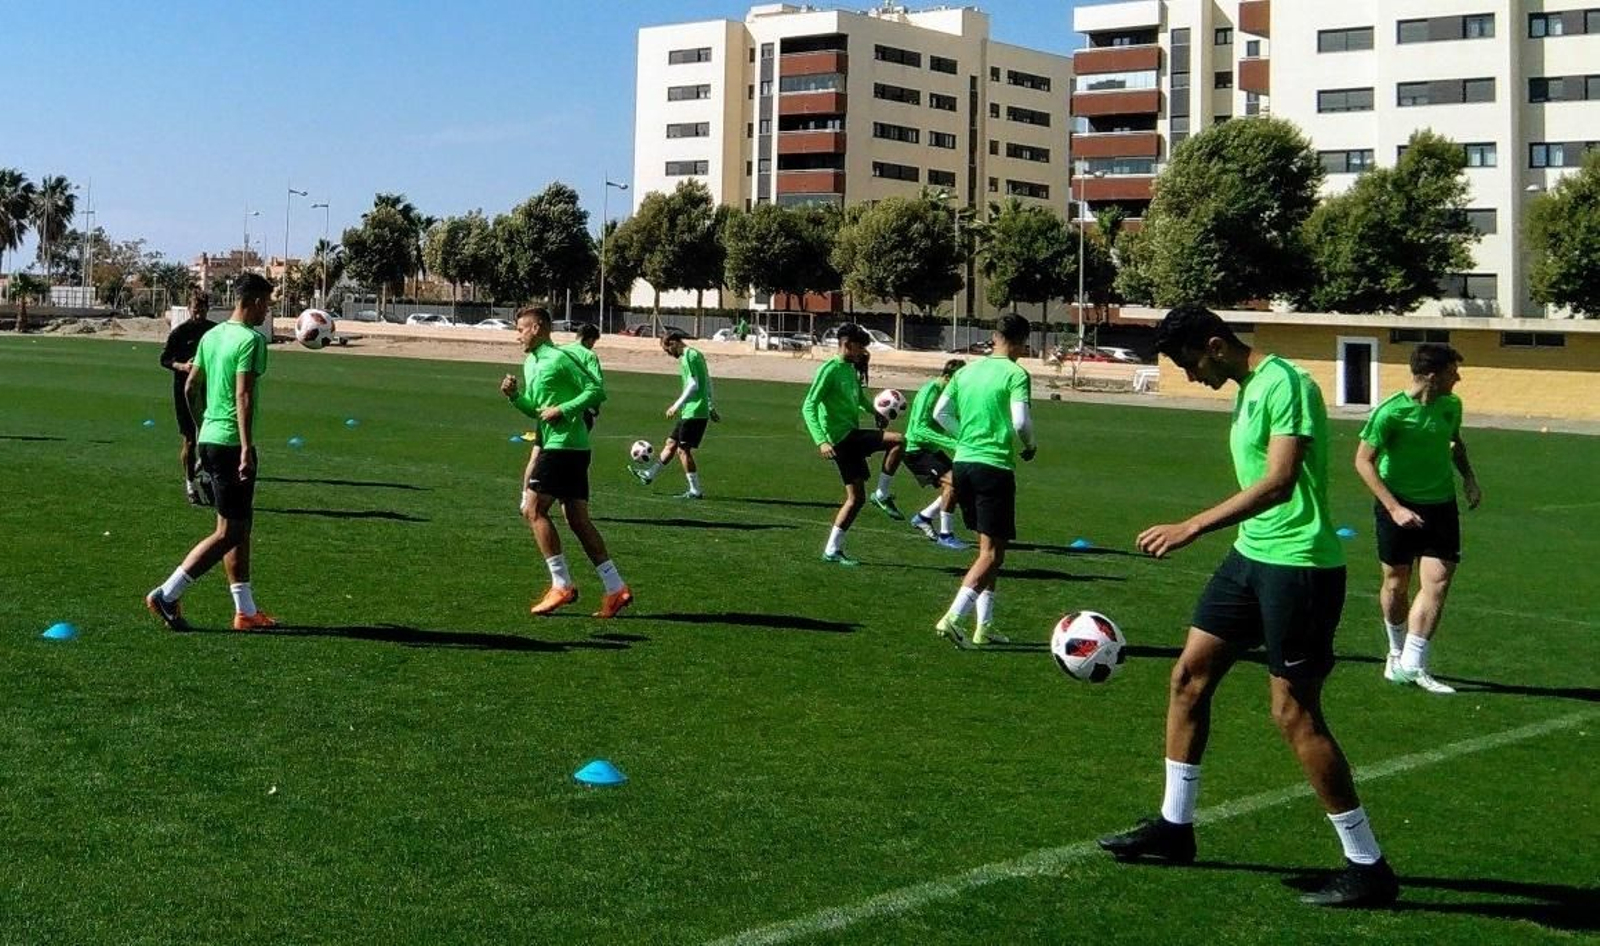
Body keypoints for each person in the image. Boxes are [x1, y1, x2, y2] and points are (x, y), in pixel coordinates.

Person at [1097, 304, 1398, 908]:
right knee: (1187, 677)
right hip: (1251, 558)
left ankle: (1368, 866)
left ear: (1214, 345)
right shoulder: (1250, 387)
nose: (1188, 377)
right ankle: (1175, 828)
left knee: (1293, 713)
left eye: (1188, 364)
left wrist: (1192, 526)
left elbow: (1281, 481)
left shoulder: (1286, 383)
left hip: (1299, 568)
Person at [145, 273, 278, 632]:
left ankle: (245, 611)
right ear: (251, 301)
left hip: (211, 437)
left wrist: (203, 428)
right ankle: (167, 594)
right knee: (229, 532)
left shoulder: (211, 336)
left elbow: (191, 387)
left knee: (238, 526)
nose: (268, 311)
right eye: (266, 303)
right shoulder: (251, 340)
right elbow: (243, 395)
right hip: (233, 442)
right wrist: (247, 447)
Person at [1354, 343, 1482, 695]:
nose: (1458, 377)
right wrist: (1394, 508)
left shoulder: (1451, 406)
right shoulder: (1390, 413)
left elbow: (1455, 443)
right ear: (1430, 375)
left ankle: (1413, 663)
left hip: (1440, 504)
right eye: (1452, 371)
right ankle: (1395, 653)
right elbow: (1363, 461)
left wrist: (1469, 479)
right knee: (1397, 583)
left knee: (1438, 581)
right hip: (1397, 504)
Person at [501, 306, 633, 618]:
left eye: (521, 329)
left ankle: (561, 584)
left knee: (534, 510)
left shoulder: (560, 357)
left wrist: (564, 409)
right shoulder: (531, 362)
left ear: (537, 328)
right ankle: (616, 588)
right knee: (577, 519)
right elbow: (536, 409)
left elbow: (596, 391)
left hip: (563, 447)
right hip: (563, 445)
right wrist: (514, 396)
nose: (517, 335)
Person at [932, 317, 1035, 646]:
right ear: (1020, 342)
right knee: (991, 553)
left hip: (963, 464)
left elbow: (940, 413)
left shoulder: (965, 372)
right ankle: (953, 617)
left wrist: (965, 436)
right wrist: (1030, 446)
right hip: (993, 467)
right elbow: (1020, 422)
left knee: (990, 550)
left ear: (994, 337)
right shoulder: (1016, 374)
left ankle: (984, 626)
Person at [800, 322, 907, 565]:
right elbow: (809, 405)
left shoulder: (850, 369)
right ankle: (882, 493)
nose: (862, 353)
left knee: (856, 499)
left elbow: (857, 397)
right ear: (847, 345)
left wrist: (875, 412)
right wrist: (821, 441)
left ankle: (831, 550)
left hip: (851, 435)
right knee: (899, 440)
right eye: (859, 348)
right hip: (841, 439)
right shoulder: (829, 370)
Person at [633, 330, 720, 499]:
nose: (668, 353)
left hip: (694, 411)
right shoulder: (697, 354)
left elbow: (693, 384)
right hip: (693, 410)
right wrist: (710, 405)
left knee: (683, 450)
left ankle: (695, 490)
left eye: (667, 350)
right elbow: (707, 381)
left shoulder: (688, 356)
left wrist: (675, 405)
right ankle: (649, 474)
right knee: (671, 443)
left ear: (672, 343)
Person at [158, 288, 218, 504]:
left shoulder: (214, 331)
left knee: (211, 435)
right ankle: (190, 484)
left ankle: (204, 470)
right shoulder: (179, 332)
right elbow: (164, 360)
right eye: (195, 310)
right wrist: (183, 366)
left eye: (202, 310)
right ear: (189, 309)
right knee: (190, 440)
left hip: (209, 389)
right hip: (184, 390)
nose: (198, 315)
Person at [905, 359, 970, 550]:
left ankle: (923, 517)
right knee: (954, 483)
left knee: (960, 485)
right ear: (947, 377)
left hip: (931, 450)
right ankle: (945, 534)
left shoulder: (949, 395)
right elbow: (918, 429)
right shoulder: (930, 391)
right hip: (916, 451)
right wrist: (954, 443)